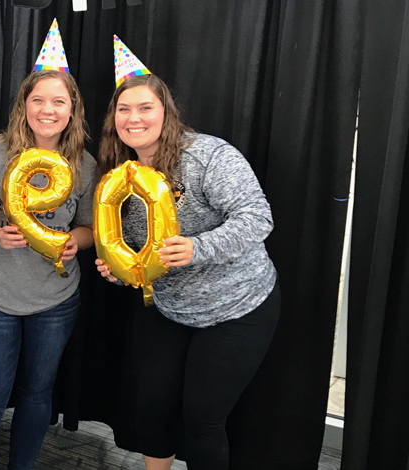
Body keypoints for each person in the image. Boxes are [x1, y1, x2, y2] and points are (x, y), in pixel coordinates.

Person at [95, 36, 280, 470]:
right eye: (124, 109)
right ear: (114, 119)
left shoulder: (208, 155)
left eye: (145, 108)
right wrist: (121, 271)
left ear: (166, 113)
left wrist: (197, 247)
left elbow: (258, 218)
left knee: (203, 419)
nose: (134, 118)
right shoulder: (118, 174)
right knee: (153, 406)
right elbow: (131, 247)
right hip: (169, 307)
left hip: (237, 307)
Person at [0, 20, 98, 470]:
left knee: (37, 395)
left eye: (59, 101)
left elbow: (92, 227)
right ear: (24, 106)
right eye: (39, 100)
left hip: (55, 300)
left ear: (72, 109)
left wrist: (75, 241)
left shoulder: (85, 164)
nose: (48, 109)